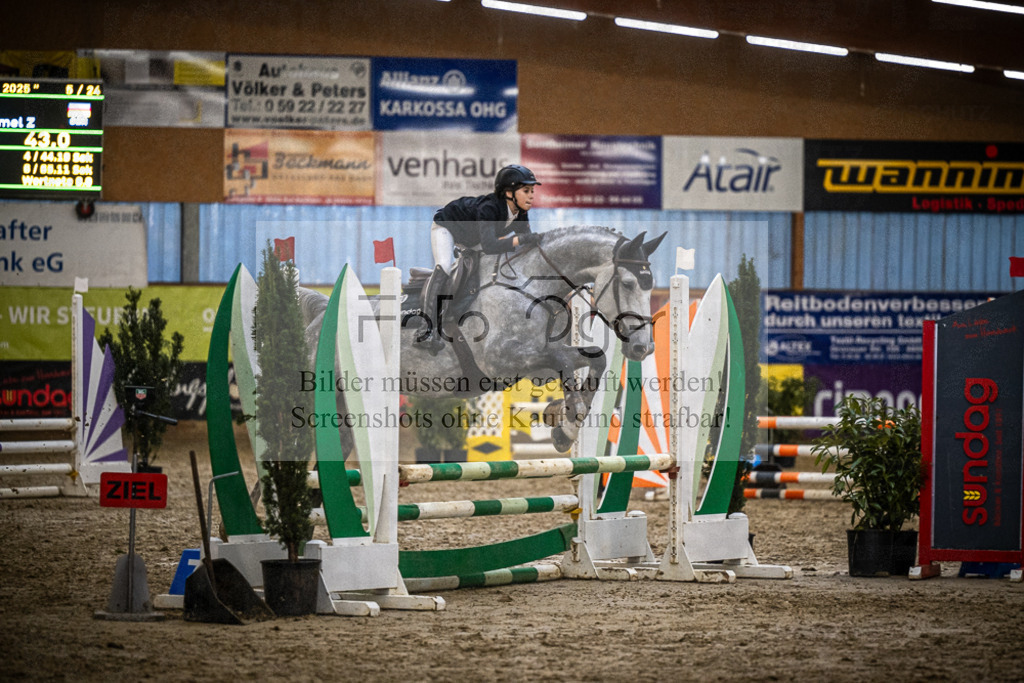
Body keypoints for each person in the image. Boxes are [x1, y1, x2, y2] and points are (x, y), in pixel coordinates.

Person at [420, 164, 543, 355]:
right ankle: (427, 328)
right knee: (444, 265)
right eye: (526, 190)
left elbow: (524, 245)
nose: (531, 195)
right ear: (509, 193)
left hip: (474, 240)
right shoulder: (490, 208)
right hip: (447, 227)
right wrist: (521, 239)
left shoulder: (520, 213)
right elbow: (490, 246)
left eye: (532, 191)